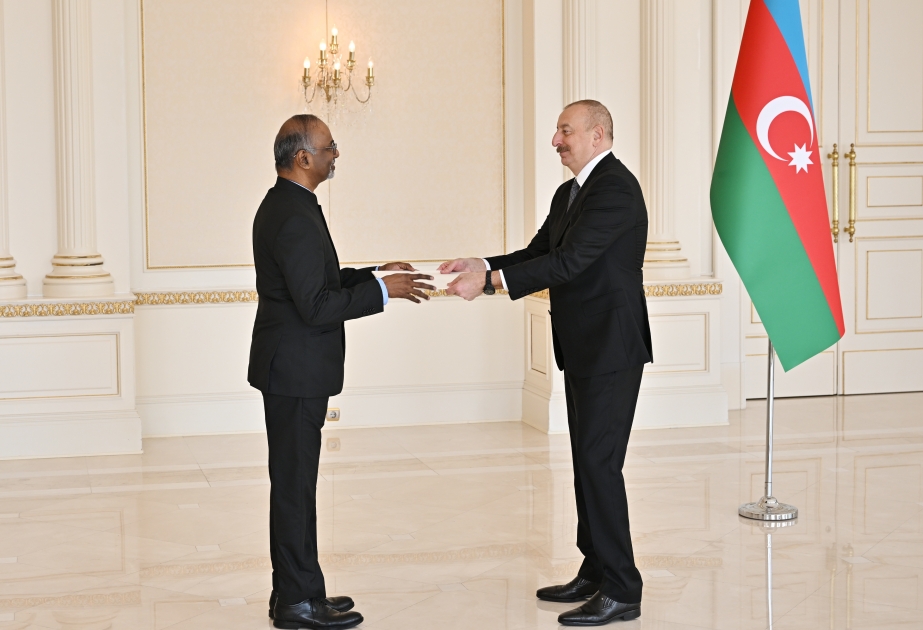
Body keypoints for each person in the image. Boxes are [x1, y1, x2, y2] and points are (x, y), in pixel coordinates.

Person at [441, 100, 652, 626]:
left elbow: (570, 262)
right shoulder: (569, 193)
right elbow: (539, 252)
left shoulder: (617, 189)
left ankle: (623, 588)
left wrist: (489, 284)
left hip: (612, 348)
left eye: (565, 130)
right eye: (558, 131)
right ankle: (595, 568)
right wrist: (483, 263)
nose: (556, 140)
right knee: (586, 462)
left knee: (600, 464)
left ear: (598, 134)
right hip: (582, 346)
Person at [248, 114, 434, 630]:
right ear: (303, 157)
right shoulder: (291, 213)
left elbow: (320, 280)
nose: (336, 155)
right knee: (294, 489)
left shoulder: (291, 204)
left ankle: (300, 591)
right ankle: (296, 603)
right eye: (330, 147)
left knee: (297, 487)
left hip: (293, 369)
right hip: (294, 371)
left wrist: (376, 274)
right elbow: (316, 305)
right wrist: (382, 293)